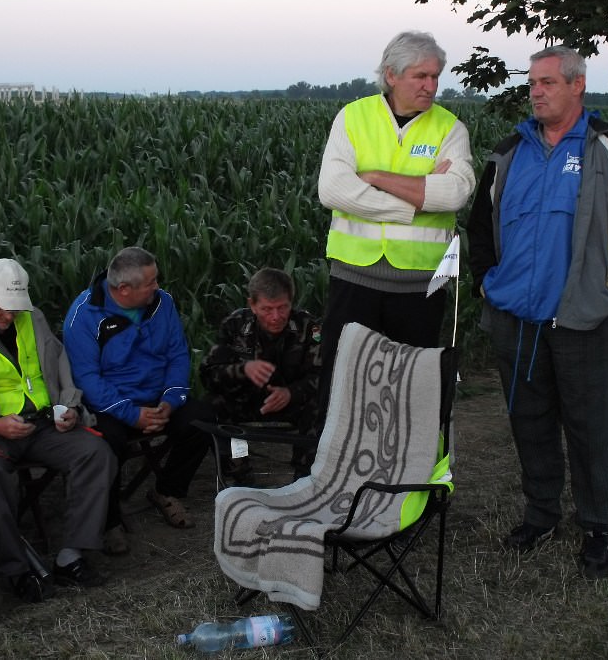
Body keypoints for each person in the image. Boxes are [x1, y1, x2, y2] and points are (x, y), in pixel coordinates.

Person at [466, 45, 608, 581]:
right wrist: (487, 283)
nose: (536, 92)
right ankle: (541, 513)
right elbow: (481, 225)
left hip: (583, 318)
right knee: (529, 421)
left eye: (547, 82)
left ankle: (597, 526)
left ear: (577, 85)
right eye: (532, 83)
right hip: (516, 318)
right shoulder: (510, 151)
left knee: (590, 426)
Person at [0, 258, 116, 603]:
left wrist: (70, 407)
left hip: (42, 425)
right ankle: (17, 569)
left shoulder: (34, 318)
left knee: (96, 453)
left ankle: (71, 555)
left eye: (15, 308)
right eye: (1, 308)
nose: (9, 316)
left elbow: (60, 364)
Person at [316, 30, 476, 408]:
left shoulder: (450, 128)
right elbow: (333, 190)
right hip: (354, 277)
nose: (431, 86)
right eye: (421, 76)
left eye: (435, 76)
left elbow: (455, 193)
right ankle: (329, 449)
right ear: (391, 75)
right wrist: (415, 202)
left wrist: (375, 177)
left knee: (410, 392)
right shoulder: (353, 118)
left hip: (420, 285)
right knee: (342, 385)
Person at [62, 246, 214, 554]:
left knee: (203, 420)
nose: (157, 286)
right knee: (104, 443)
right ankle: (109, 520)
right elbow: (87, 380)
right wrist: (133, 415)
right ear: (123, 289)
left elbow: (177, 354)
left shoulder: (163, 303)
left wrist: (170, 400)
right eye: (150, 282)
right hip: (111, 404)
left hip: (157, 397)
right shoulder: (85, 315)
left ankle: (166, 490)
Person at [199, 267, 323, 479]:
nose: (275, 317)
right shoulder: (235, 325)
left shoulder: (308, 327)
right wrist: (243, 370)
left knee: (320, 406)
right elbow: (208, 374)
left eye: (282, 308)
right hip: (246, 402)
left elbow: (323, 376)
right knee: (212, 404)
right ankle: (239, 471)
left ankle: (305, 476)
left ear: (291, 302)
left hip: (293, 403)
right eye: (267, 309)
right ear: (252, 305)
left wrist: (291, 393)